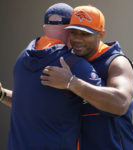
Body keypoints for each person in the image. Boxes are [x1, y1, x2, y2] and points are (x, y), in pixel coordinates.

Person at [0, 3, 103, 150]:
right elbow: (110, 105)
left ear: (45, 28)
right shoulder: (74, 64)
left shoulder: (22, 58)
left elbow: (30, 105)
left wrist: (2, 94)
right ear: (70, 30)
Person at [41, 5, 133, 150]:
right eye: (73, 32)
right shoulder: (69, 62)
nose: (77, 39)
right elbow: (38, 106)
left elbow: (120, 102)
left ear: (101, 34)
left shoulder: (116, 62)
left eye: (85, 34)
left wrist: (71, 83)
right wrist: (2, 95)